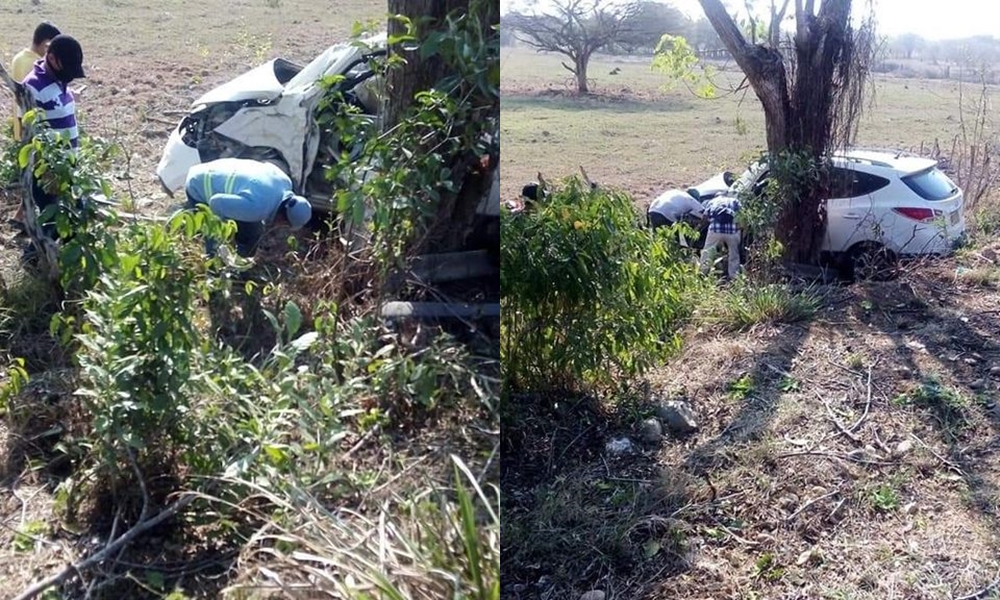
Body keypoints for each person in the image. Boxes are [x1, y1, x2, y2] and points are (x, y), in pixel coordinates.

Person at [21, 34, 86, 241]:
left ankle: (64, 264)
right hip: (48, 170)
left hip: (67, 166)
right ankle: (33, 261)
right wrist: (46, 171)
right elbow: (30, 134)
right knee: (55, 222)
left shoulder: (58, 79)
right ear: (52, 59)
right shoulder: (32, 86)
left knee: (74, 217)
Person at [184, 158, 313, 257]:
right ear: (282, 217)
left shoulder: (285, 182)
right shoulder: (259, 208)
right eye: (285, 223)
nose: (280, 225)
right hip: (198, 186)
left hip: (211, 168)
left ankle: (240, 261)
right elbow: (215, 203)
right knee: (214, 241)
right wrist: (222, 237)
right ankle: (212, 271)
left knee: (253, 231)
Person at [10, 22, 61, 142]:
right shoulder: (37, 66)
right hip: (33, 133)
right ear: (45, 45)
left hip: (20, 129)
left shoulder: (18, 58)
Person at [700, 194, 742, 279]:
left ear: (716, 196)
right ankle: (734, 276)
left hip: (715, 230)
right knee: (734, 254)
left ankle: (702, 273)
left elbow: (705, 216)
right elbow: (742, 216)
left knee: (707, 251)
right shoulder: (734, 201)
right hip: (732, 231)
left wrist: (700, 227)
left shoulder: (712, 201)